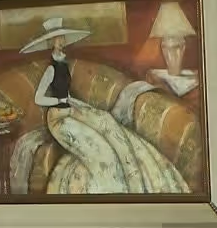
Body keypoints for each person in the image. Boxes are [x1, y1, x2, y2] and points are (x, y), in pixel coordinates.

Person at [21, 17, 188, 195]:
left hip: (70, 109)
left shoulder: (64, 65)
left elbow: (66, 94)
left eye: (62, 39)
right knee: (98, 148)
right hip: (58, 118)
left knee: (107, 123)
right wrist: (60, 102)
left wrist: (77, 104)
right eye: (56, 40)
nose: (60, 42)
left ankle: (142, 177)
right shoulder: (51, 69)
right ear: (51, 43)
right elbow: (39, 98)